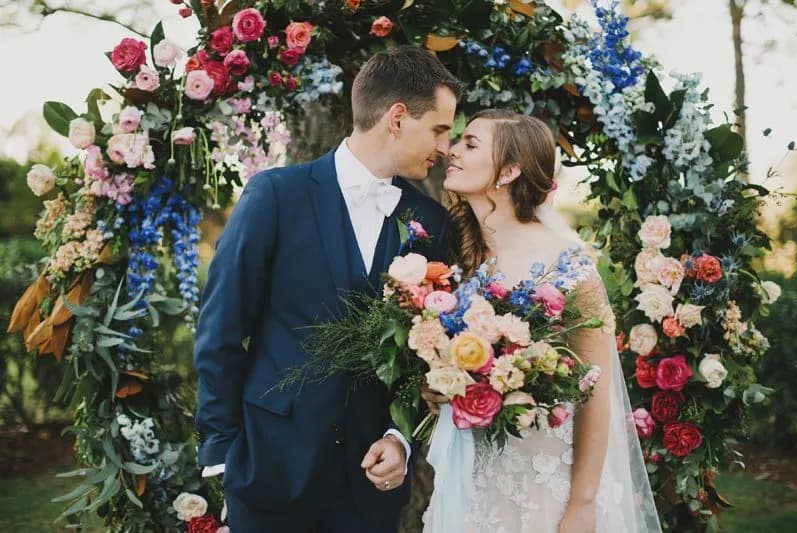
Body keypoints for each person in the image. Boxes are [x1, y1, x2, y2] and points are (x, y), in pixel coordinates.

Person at [193, 46, 462, 533]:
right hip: (269, 472)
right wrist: (223, 453)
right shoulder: (275, 195)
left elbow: (425, 355)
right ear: (398, 118)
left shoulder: (429, 221)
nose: (444, 147)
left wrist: (400, 438)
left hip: (370, 489)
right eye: (439, 129)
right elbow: (221, 329)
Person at [421, 109, 662, 532]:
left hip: (545, 480)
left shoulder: (566, 266)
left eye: (470, 144)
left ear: (510, 170)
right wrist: (441, 386)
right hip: (474, 474)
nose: (451, 151)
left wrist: (582, 504)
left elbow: (596, 393)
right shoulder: (462, 260)